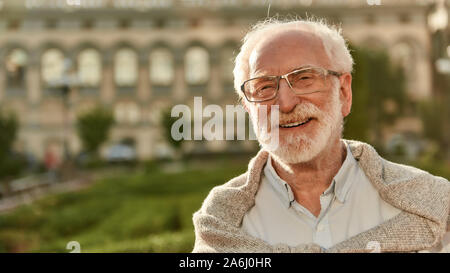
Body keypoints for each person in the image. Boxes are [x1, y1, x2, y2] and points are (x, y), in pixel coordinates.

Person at [192, 18, 450, 253]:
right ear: (248, 108)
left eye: (304, 78)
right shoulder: (220, 223)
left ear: (344, 93)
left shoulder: (433, 204)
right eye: (265, 86)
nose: (285, 103)